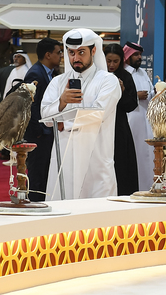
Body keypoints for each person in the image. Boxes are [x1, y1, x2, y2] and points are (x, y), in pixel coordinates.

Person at [41, 28, 121, 199]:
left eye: (81, 52)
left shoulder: (108, 81)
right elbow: (45, 117)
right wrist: (61, 102)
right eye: (71, 53)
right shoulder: (58, 82)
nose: (75, 58)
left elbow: (98, 114)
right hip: (65, 156)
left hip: (95, 156)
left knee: (96, 215)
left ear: (93, 51)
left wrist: (63, 121)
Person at [22, 38, 62, 201]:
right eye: (58, 52)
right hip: (39, 134)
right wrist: (38, 131)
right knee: (37, 171)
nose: (61, 56)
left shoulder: (51, 73)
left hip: (47, 132)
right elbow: (29, 105)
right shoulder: (35, 73)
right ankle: (34, 203)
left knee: (46, 170)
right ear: (48, 55)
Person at [104, 43, 139, 196]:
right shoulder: (98, 75)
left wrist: (122, 92)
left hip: (119, 126)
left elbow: (131, 105)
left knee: (122, 164)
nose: (111, 65)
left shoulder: (126, 77)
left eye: (115, 61)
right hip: (100, 125)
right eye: (108, 61)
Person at [124, 41, 156, 190]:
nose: (139, 57)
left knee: (146, 155)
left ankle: (146, 187)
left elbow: (150, 90)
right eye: (135, 54)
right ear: (128, 55)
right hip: (131, 119)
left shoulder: (143, 73)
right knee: (134, 154)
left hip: (146, 119)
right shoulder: (123, 73)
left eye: (140, 54)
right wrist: (136, 96)